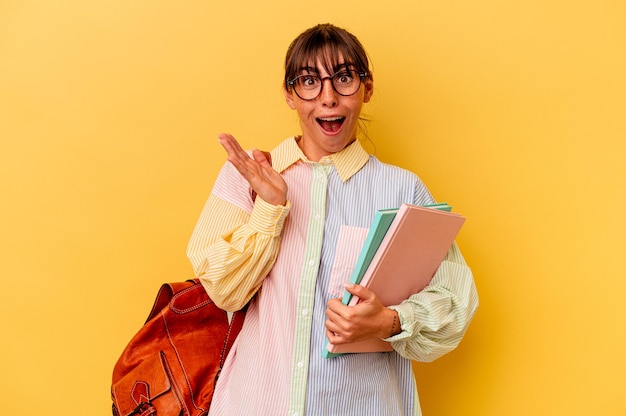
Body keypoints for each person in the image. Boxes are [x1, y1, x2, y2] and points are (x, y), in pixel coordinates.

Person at [187, 23, 478, 416]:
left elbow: (455, 300)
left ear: (366, 88)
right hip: (254, 403)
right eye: (309, 82)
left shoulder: (403, 190)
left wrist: (389, 321)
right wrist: (270, 209)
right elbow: (224, 290)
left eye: (343, 79)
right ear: (290, 94)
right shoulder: (249, 176)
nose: (327, 98)